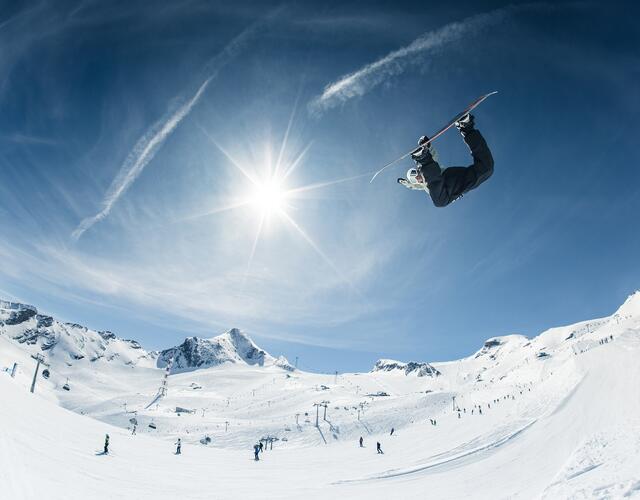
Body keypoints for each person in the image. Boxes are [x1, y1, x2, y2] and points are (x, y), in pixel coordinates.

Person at [398, 114, 494, 207]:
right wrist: (405, 182)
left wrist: (428, 147)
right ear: (415, 181)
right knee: (486, 169)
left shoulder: (426, 171)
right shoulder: (421, 185)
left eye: (415, 173)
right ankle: (467, 127)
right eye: (415, 178)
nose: (418, 176)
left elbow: (434, 158)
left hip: (445, 176)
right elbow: (412, 186)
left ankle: (423, 157)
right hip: (453, 188)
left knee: (440, 201)